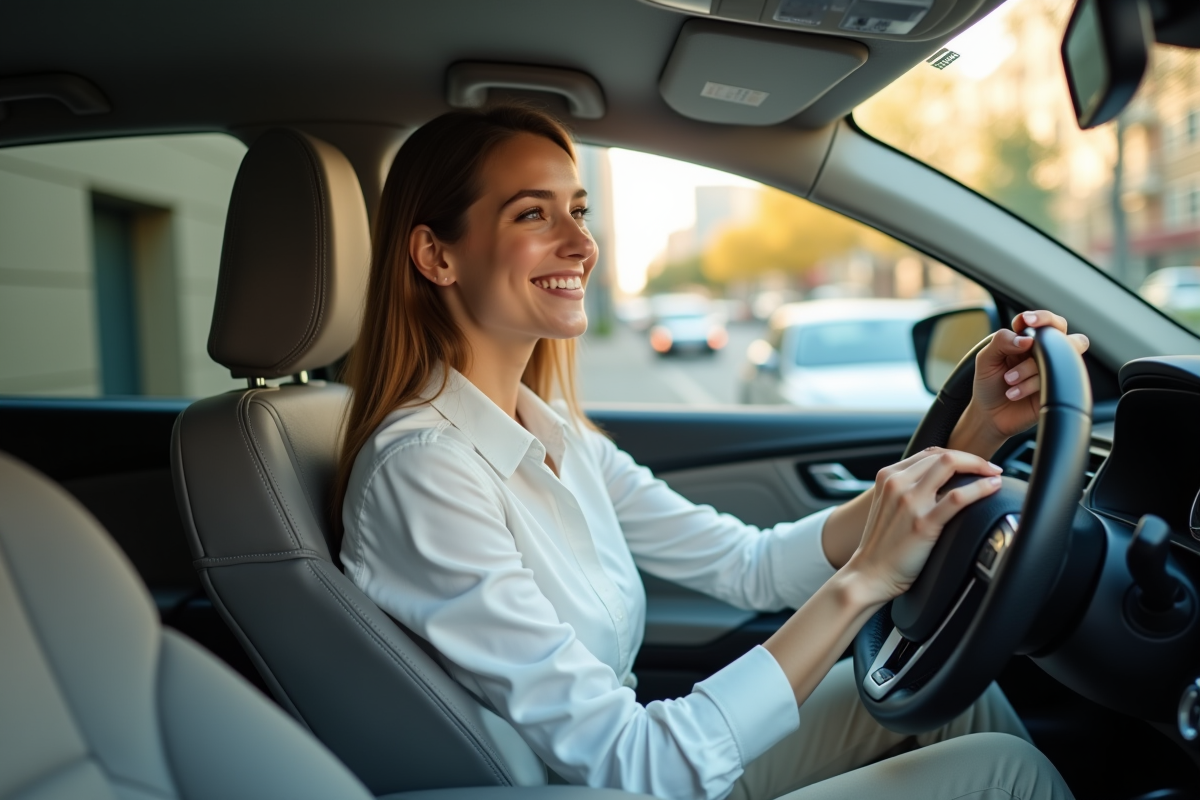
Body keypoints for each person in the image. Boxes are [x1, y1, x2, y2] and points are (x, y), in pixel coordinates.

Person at [335, 105, 1087, 800]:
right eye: (533, 212)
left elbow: (750, 564)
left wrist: (977, 435)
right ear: (437, 256)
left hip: (633, 769)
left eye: (579, 209)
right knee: (1008, 772)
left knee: (953, 694)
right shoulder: (425, 469)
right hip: (611, 781)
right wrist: (866, 580)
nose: (581, 243)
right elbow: (638, 763)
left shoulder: (551, 429)